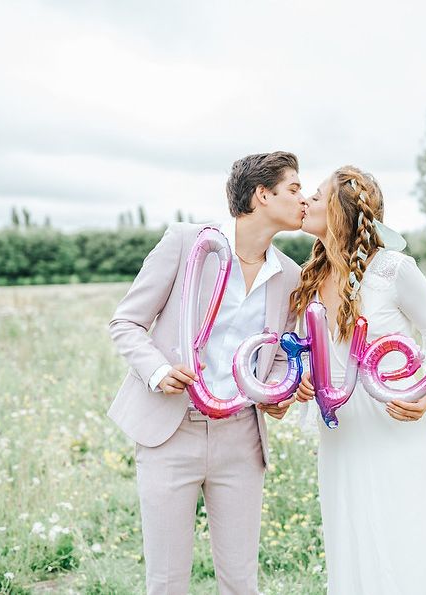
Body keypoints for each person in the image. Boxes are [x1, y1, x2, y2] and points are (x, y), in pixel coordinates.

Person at [107, 151, 306, 594]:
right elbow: (126, 322)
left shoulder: (289, 276)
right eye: (294, 189)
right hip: (170, 431)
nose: (304, 199)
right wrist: (158, 370)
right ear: (262, 195)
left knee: (240, 581)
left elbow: (275, 361)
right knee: (167, 581)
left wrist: (280, 394)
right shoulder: (186, 242)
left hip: (241, 439)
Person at [293, 165, 426, 594]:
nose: (305, 200)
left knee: (402, 534)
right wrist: (305, 380)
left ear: (341, 212)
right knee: (353, 535)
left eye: (317, 196)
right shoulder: (312, 276)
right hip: (340, 431)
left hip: (392, 422)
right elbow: (315, 353)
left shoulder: (392, 270)